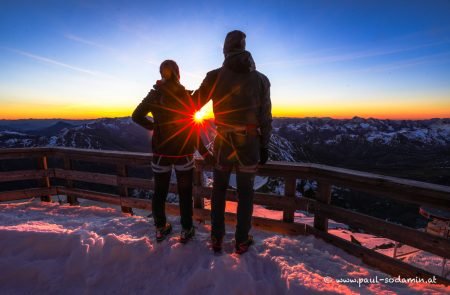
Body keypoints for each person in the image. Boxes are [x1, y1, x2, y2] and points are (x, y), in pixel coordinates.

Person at [193, 30, 272, 254]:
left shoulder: (214, 76)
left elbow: (191, 106)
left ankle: (217, 237)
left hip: (224, 142)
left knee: (219, 190)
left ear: (226, 49)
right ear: (244, 46)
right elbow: (265, 117)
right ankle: (241, 240)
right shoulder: (260, 80)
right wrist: (264, 144)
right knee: (246, 193)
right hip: (249, 143)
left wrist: (168, 93)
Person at [132, 60, 209, 243]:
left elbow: (136, 116)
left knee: (160, 192)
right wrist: (204, 152)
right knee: (185, 192)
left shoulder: (155, 94)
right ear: (177, 73)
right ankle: (186, 229)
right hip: (183, 153)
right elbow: (192, 126)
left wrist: (155, 127)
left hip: (161, 153)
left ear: (161, 73)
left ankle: (160, 228)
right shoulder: (184, 95)